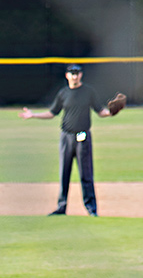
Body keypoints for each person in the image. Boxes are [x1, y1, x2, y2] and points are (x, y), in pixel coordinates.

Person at [19, 63, 120, 217]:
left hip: (82, 135)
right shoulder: (63, 93)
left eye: (77, 73)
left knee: (86, 173)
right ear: (67, 76)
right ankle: (62, 206)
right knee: (64, 172)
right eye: (72, 73)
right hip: (66, 135)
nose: (75, 76)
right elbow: (53, 113)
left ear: (81, 75)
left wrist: (112, 111)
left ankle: (91, 208)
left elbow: (100, 111)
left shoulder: (88, 92)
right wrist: (33, 115)